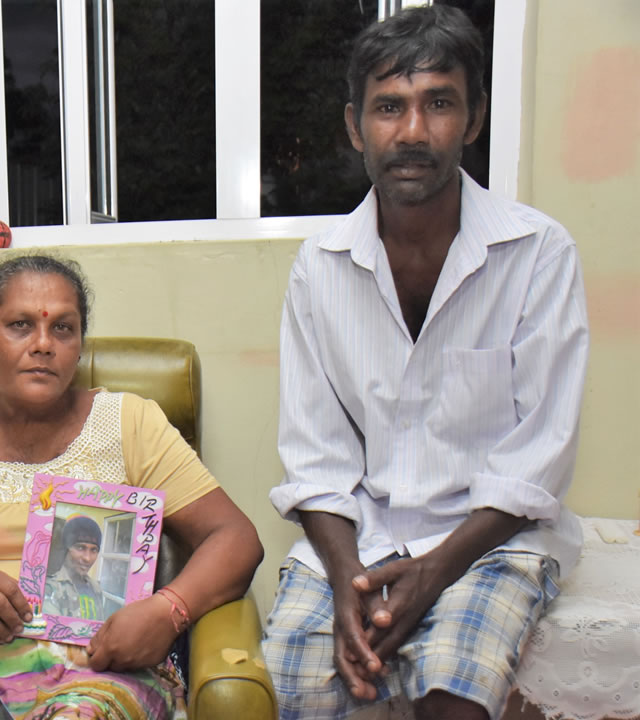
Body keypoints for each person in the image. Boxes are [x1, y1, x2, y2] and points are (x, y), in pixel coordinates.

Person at [262, 6, 588, 720]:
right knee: (296, 681)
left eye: (439, 103)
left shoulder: (538, 253)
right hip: (360, 540)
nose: (413, 132)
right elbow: (316, 459)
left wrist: (432, 576)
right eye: (389, 108)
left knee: (452, 688)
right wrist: (353, 587)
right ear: (356, 127)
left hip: (492, 537)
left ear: (473, 119)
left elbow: (538, 460)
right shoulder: (319, 269)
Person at [0, 254, 262, 719]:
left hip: (100, 667)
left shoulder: (130, 422)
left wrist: (168, 610)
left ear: (78, 345)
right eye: (19, 325)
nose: (42, 345)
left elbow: (235, 538)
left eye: (62, 329)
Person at [42, 514, 106, 620]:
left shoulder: (96, 588)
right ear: (66, 549)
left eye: (94, 550)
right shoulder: (50, 588)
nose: (87, 558)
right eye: (80, 548)